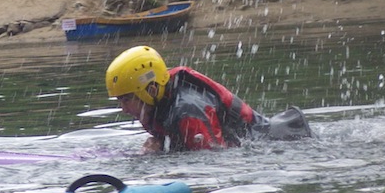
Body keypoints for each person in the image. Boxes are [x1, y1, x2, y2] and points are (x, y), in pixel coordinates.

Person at [105, 46, 313, 153]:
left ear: (149, 90)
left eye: (125, 99)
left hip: (286, 144)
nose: (122, 108)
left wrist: (156, 158)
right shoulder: (158, 100)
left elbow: (211, 161)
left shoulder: (188, 111)